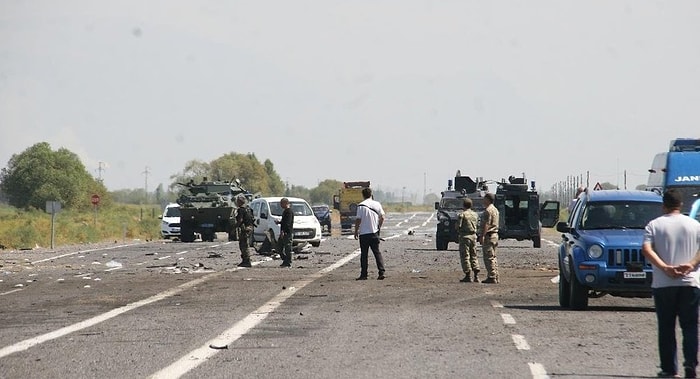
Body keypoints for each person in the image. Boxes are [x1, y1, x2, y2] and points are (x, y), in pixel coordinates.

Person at [642, 189, 700, 379]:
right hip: (690, 282)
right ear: (681, 205)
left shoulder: (654, 225)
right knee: (690, 326)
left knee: (666, 327)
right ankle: (690, 365)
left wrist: (664, 267)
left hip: (664, 283)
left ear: (663, 205)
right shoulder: (694, 224)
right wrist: (691, 264)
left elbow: (646, 249)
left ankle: (669, 369)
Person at [353, 187, 386, 280]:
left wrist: (356, 231)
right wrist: (378, 227)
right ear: (371, 194)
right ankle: (381, 272)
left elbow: (358, 219)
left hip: (364, 234)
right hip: (374, 233)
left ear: (363, 195)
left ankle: (364, 274)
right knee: (377, 252)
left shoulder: (361, 206)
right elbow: (382, 217)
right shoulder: (377, 204)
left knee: (364, 254)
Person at [456, 198, 480, 283]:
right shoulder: (475, 214)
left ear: (463, 205)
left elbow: (458, 226)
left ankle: (468, 275)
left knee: (465, 255)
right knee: (474, 255)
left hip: (465, 236)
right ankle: (476, 275)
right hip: (474, 236)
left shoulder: (462, 215)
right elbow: (478, 225)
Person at [478, 193, 499, 284]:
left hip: (489, 235)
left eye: (484, 199)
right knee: (493, 257)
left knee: (488, 257)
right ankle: (495, 275)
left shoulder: (488, 211)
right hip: (495, 235)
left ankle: (492, 276)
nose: (483, 201)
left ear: (488, 199)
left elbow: (486, 224)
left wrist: (482, 236)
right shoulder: (495, 210)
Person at [234, 196, 254, 267]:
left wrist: (235, 227)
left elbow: (240, 220)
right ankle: (245, 260)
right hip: (250, 227)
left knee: (243, 245)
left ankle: (246, 261)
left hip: (245, 228)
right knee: (245, 244)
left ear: (239, 202)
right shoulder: (249, 209)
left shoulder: (241, 210)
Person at [278, 198, 294, 267]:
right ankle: (285, 259)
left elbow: (287, 223)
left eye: (281, 203)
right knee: (279, 247)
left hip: (287, 233)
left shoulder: (289, 212)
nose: (280, 205)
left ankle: (288, 261)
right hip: (284, 232)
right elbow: (284, 222)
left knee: (287, 247)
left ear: (285, 203)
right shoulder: (285, 211)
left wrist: (283, 231)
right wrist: (279, 222)